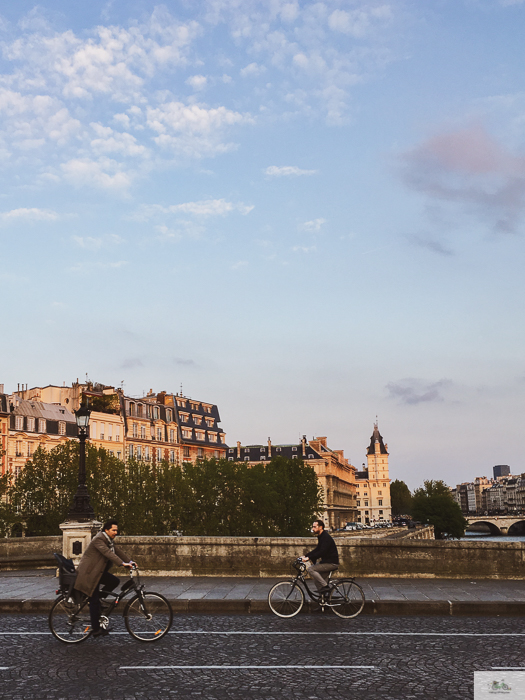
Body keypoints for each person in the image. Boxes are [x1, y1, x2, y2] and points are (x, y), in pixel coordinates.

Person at [73, 519, 135, 638]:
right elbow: (108, 553)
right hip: (89, 574)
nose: (116, 532)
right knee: (94, 601)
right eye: (114, 530)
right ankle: (96, 629)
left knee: (114, 581)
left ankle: (99, 602)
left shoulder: (109, 540)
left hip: (98, 573)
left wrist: (130, 561)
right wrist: (122, 564)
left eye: (117, 530)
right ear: (106, 530)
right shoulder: (99, 540)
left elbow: (117, 551)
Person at [301, 519, 339, 596]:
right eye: (312, 527)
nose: (313, 529)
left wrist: (308, 558)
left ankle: (325, 586)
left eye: (314, 527)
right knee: (317, 581)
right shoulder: (321, 536)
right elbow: (317, 549)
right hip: (326, 562)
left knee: (311, 569)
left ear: (320, 527)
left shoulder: (325, 537)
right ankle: (323, 601)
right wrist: (306, 555)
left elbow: (322, 551)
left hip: (331, 563)